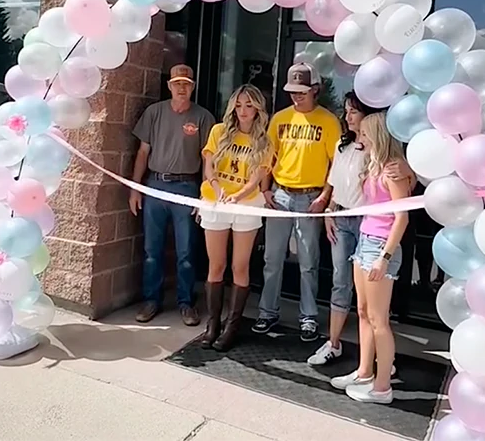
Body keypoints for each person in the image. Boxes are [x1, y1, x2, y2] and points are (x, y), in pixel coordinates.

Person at [253, 63, 344, 341]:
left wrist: (324, 196)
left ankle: (308, 317)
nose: (296, 96)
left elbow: (336, 165)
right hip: (281, 194)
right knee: (272, 259)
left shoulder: (328, 121)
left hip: (310, 196)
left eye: (301, 91)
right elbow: (268, 158)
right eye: (292, 91)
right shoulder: (280, 119)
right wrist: (266, 191)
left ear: (315, 89)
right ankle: (267, 312)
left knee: (308, 261)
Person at [330, 114, 414, 404]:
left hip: (380, 246)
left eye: (365, 133)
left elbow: (401, 218)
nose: (360, 138)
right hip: (365, 240)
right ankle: (364, 372)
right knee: (363, 312)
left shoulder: (393, 171)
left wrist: (385, 258)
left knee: (379, 320)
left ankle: (382, 387)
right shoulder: (374, 165)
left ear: (377, 134)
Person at [129, 65, 216, 325]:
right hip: (155, 185)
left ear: (193, 86)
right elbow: (143, 153)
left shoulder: (203, 117)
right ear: (169, 86)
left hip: (186, 187)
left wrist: (204, 196)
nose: (181, 88)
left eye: (186, 83)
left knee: (186, 250)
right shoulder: (154, 113)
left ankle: (186, 303)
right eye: (177, 83)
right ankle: (151, 300)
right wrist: (136, 188)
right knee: (151, 249)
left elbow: (208, 161)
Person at [196, 84, 274, 351]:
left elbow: (257, 178)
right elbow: (209, 166)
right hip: (215, 202)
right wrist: (218, 191)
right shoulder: (219, 131)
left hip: (246, 205)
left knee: (239, 267)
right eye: (239, 105)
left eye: (249, 105)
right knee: (215, 265)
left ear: (258, 109)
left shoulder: (264, 140)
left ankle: (232, 326)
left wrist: (238, 195)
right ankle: (213, 323)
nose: (243, 111)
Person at [307, 92, 381, 366]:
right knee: (341, 281)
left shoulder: (377, 148)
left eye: (354, 111)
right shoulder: (342, 144)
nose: (348, 117)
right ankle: (333, 342)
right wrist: (328, 211)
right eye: (346, 111)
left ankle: (374, 353)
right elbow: (335, 183)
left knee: (368, 290)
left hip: (367, 223)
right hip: (340, 217)